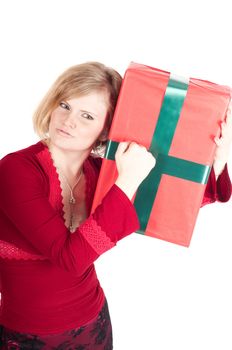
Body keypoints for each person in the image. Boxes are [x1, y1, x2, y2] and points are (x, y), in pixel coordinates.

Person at [0, 62, 231, 349]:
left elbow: (170, 202)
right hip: (27, 335)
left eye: (87, 115)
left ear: (106, 130)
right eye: (64, 104)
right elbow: (70, 259)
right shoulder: (16, 170)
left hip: (93, 322)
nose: (68, 120)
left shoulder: (101, 171)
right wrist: (128, 181)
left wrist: (218, 159)